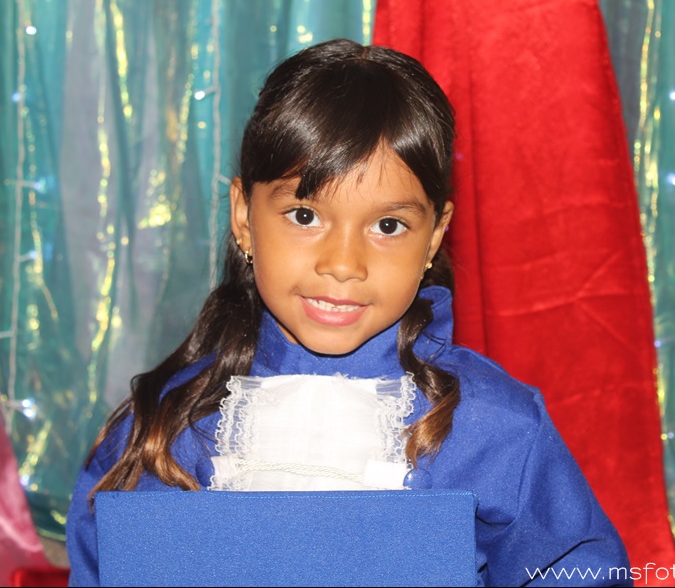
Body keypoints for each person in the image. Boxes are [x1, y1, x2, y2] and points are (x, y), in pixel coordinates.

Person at [66, 38, 631, 586]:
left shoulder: (498, 427)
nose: (343, 264)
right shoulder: (161, 432)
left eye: (388, 225)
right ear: (243, 218)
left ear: (434, 237)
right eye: (304, 216)